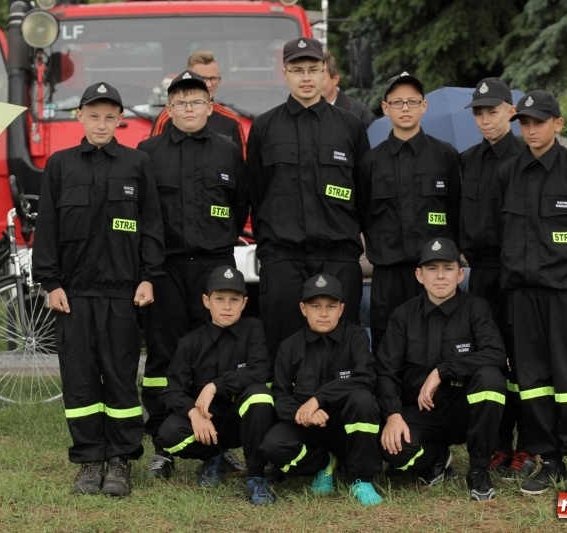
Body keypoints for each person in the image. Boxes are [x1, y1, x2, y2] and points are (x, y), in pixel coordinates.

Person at [33, 82, 165, 497]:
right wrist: (50, 282)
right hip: (73, 296)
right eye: (94, 115)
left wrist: (148, 276)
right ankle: (89, 459)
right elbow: (47, 229)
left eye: (110, 116)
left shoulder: (137, 164)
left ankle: (120, 460)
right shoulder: (59, 165)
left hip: (122, 294)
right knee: (80, 380)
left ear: (120, 118)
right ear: (80, 117)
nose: (102, 124)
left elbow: (151, 226)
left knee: (122, 379)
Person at [496, 91, 567, 495]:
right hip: (523, 293)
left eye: (539, 122)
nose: (530, 130)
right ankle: (549, 460)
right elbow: (499, 232)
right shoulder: (508, 173)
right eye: (524, 123)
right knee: (535, 380)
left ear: (558, 124)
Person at [137, 70, 248, 478]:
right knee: (163, 358)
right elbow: (143, 214)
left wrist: (217, 241)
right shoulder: (147, 152)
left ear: (209, 106)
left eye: (196, 101)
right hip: (166, 269)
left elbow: (239, 205)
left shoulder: (227, 150)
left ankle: (218, 445)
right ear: (169, 108)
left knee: (219, 353)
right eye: (180, 101)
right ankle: (163, 446)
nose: (189, 108)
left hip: (215, 267)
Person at [247, 38, 370, 362]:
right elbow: (256, 192)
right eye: (297, 70)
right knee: (283, 348)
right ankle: (286, 411)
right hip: (282, 258)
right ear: (284, 73)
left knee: (342, 351)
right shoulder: (264, 127)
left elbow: (363, 192)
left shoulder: (350, 127)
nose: (306, 77)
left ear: (324, 74)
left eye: (313, 69)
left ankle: (341, 408)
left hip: (339, 255)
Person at [376, 238, 506, 502]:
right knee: (393, 452)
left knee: (490, 378)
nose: (440, 276)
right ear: (419, 275)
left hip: (464, 412)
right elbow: (386, 372)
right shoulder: (403, 315)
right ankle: (437, 457)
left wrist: (442, 371)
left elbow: (496, 354)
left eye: (447, 268)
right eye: (432, 269)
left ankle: (479, 470)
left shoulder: (475, 308)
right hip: (420, 412)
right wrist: (392, 414)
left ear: (460, 274)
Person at [459, 77, 533, 479]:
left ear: (511, 110)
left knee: (525, 363)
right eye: (479, 113)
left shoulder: (527, 155)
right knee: (490, 361)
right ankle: (499, 444)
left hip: (519, 274)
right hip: (481, 274)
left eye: (493, 111)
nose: (486, 120)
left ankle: (530, 446)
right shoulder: (467, 160)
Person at [260, 274, 384, 506]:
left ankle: (362, 478)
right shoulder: (289, 347)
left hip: (345, 427)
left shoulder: (356, 337)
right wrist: (302, 413)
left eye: (331, 306)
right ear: (303, 308)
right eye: (316, 306)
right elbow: (280, 393)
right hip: (307, 427)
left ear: (342, 309)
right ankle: (323, 463)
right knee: (273, 448)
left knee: (363, 399)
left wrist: (318, 399)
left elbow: (365, 377)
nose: (324, 313)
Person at [358, 72, 460, 353]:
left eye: (412, 102)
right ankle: (390, 398)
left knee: (438, 345)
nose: (405, 108)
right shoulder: (370, 162)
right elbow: (365, 215)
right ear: (385, 107)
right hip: (388, 276)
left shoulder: (445, 156)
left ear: (424, 107)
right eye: (398, 102)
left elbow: (455, 211)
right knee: (388, 347)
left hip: (434, 273)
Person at [158, 266, 276, 504]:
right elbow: (172, 390)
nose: (227, 306)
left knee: (260, 395)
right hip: (205, 424)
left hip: (241, 423)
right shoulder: (190, 342)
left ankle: (256, 477)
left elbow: (260, 370)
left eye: (234, 300)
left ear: (244, 303)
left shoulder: (253, 329)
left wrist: (214, 386)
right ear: (206, 301)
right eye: (219, 299)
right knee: (168, 434)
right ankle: (214, 457)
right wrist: (193, 412)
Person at [151, 51, 246, 155]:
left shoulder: (231, 121)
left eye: (213, 78)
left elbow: (241, 165)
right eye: (202, 78)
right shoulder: (167, 117)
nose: (209, 84)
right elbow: (153, 157)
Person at [321, 51, 375, 128]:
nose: (314, 83)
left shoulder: (359, 113)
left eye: (320, 78)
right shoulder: (304, 113)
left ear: (335, 79)